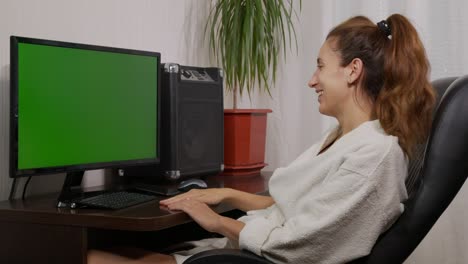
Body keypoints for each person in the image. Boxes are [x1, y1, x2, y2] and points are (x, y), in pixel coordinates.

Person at [88, 13, 436, 264]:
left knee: (90, 254)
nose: (312, 80)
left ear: (353, 70)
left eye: (320, 66)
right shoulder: (343, 139)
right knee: (105, 248)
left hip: (263, 259)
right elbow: (293, 206)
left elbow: (300, 242)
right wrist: (224, 194)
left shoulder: (373, 155)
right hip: (249, 247)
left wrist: (218, 221)